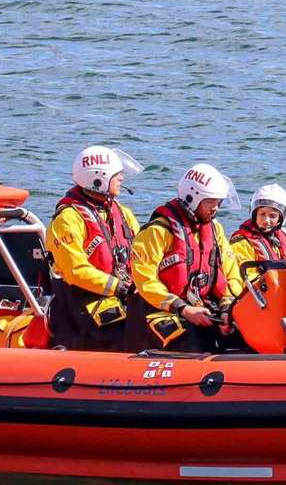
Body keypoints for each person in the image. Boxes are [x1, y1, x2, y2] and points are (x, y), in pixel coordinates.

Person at [127, 164, 245, 353]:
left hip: (200, 306)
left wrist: (226, 309)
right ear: (192, 199)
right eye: (210, 203)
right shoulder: (157, 232)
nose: (215, 208)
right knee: (190, 342)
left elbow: (231, 273)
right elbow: (145, 281)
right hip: (159, 309)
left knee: (241, 336)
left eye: (218, 203)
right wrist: (183, 309)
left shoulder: (216, 231)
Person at [43, 145, 142, 351]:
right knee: (122, 335)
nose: (122, 179)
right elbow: (76, 271)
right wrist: (119, 287)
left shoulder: (123, 214)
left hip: (121, 296)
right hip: (82, 302)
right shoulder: (68, 219)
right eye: (117, 175)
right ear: (99, 179)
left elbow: (141, 256)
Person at [229, 183, 286, 266]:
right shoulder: (241, 243)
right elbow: (246, 275)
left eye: (272, 216)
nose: (266, 221)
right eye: (262, 214)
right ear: (255, 214)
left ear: (281, 219)